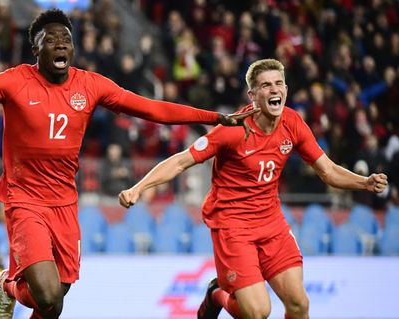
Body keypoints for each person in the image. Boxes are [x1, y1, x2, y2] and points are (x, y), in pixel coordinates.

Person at [0, 9, 257, 319]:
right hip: (25, 200)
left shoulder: (91, 84)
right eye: (52, 40)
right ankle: (8, 284)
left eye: (66, 39)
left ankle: (14, 290)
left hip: (64, 204)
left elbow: (151, 109)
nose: (61, 44)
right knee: (47, 294)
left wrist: (210, 116)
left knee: (54, 304)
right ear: (37, 49)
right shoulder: (13, 81)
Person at [119, 59, 388, 319]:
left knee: (299, 305)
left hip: (271, 223)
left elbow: (327, 170)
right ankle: (217, 294)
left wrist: (363, 182)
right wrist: (139, 188)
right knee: (258, 312)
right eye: (266, 85)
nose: (274, 90)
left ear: (286, 90)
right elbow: (180, 161)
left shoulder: (292, 123)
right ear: (253, 95)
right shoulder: (232, 130)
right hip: (233, 226)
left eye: (278, 83)